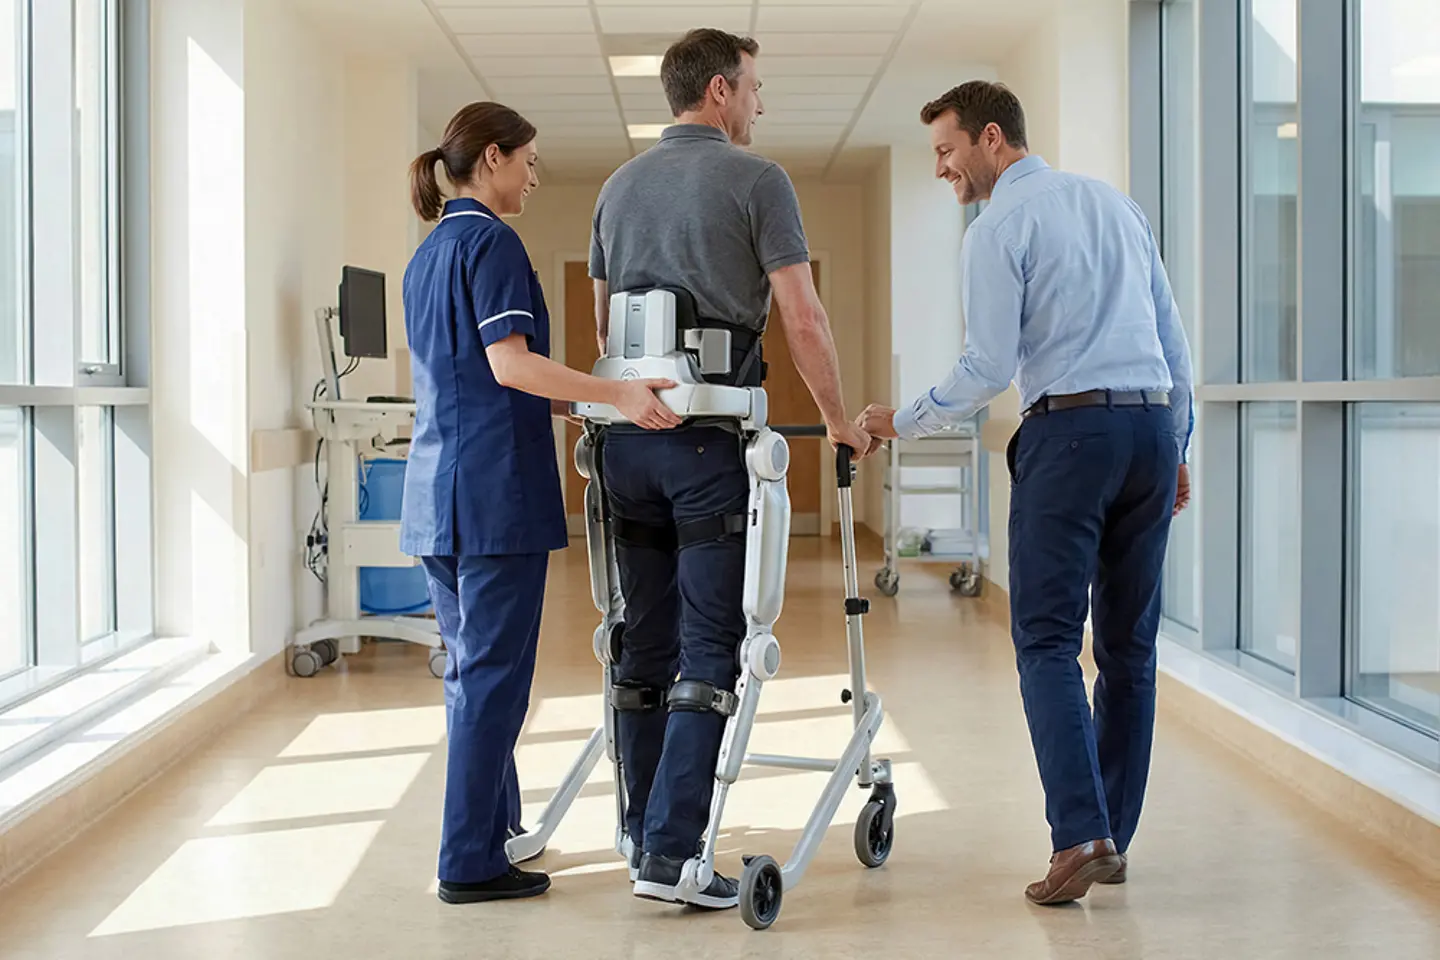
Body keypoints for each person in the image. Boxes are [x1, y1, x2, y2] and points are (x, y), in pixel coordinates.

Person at [856, 81, 1194, 905]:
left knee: (1045, 639)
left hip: (1070, 435)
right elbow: (1173, 341)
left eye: (946, 149)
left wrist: (899, 420)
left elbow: (987, 368)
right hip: (1148, 431)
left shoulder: (997, 225)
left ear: (992, 139)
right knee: (1129, 649)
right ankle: (1108, 830)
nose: (941, 167)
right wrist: (1176, 445)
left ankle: (1081, 836)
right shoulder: (1118, 207)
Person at [587, 28, 872, 910]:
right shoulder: (759, 181)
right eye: (753, 87)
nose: (760, 102)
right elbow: (804, 318)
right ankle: (673, 857)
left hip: (626, 440)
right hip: (707, 442)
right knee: (713, 648)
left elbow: (605, 334)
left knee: (642, 646)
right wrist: (835, 422)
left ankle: (642, 834)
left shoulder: (616, 186)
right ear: (718, 91)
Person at [403, 101, 680, 905]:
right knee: (492, 683)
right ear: (492, 158)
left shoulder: (431, 253)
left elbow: (488, 378)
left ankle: (491, 836)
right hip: (491, 499)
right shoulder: (491, 241)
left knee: (471, 678)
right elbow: (511, 365)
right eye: (528, 160)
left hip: (441, 496)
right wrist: (617, 393)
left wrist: (589, 403)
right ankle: (467, 862)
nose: (534, 174)